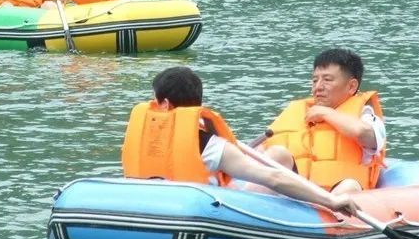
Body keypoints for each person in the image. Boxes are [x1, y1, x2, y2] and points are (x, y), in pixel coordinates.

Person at [121, 67, 360, 214]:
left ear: (165, 104)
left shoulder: (205, 145)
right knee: (277, 157)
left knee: (278, 157)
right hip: (167, 210)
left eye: (154, 101)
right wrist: (330, 200)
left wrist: (329, 200)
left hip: (187, 212)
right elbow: (271, 178)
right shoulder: (211, 145)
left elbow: (274, 177)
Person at [262, 48, 387, 197]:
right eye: (315, 80)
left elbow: (362, 133)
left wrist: (325, 112)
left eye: (327, 80)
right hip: (295, 193)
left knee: (349, 185)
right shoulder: (299, 111)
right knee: (278, 153)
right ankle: (242, 207)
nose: (318, 87)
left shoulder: (365, 115)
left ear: (351, 86)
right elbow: (260, 151)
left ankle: (326, 216)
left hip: (337, 198)